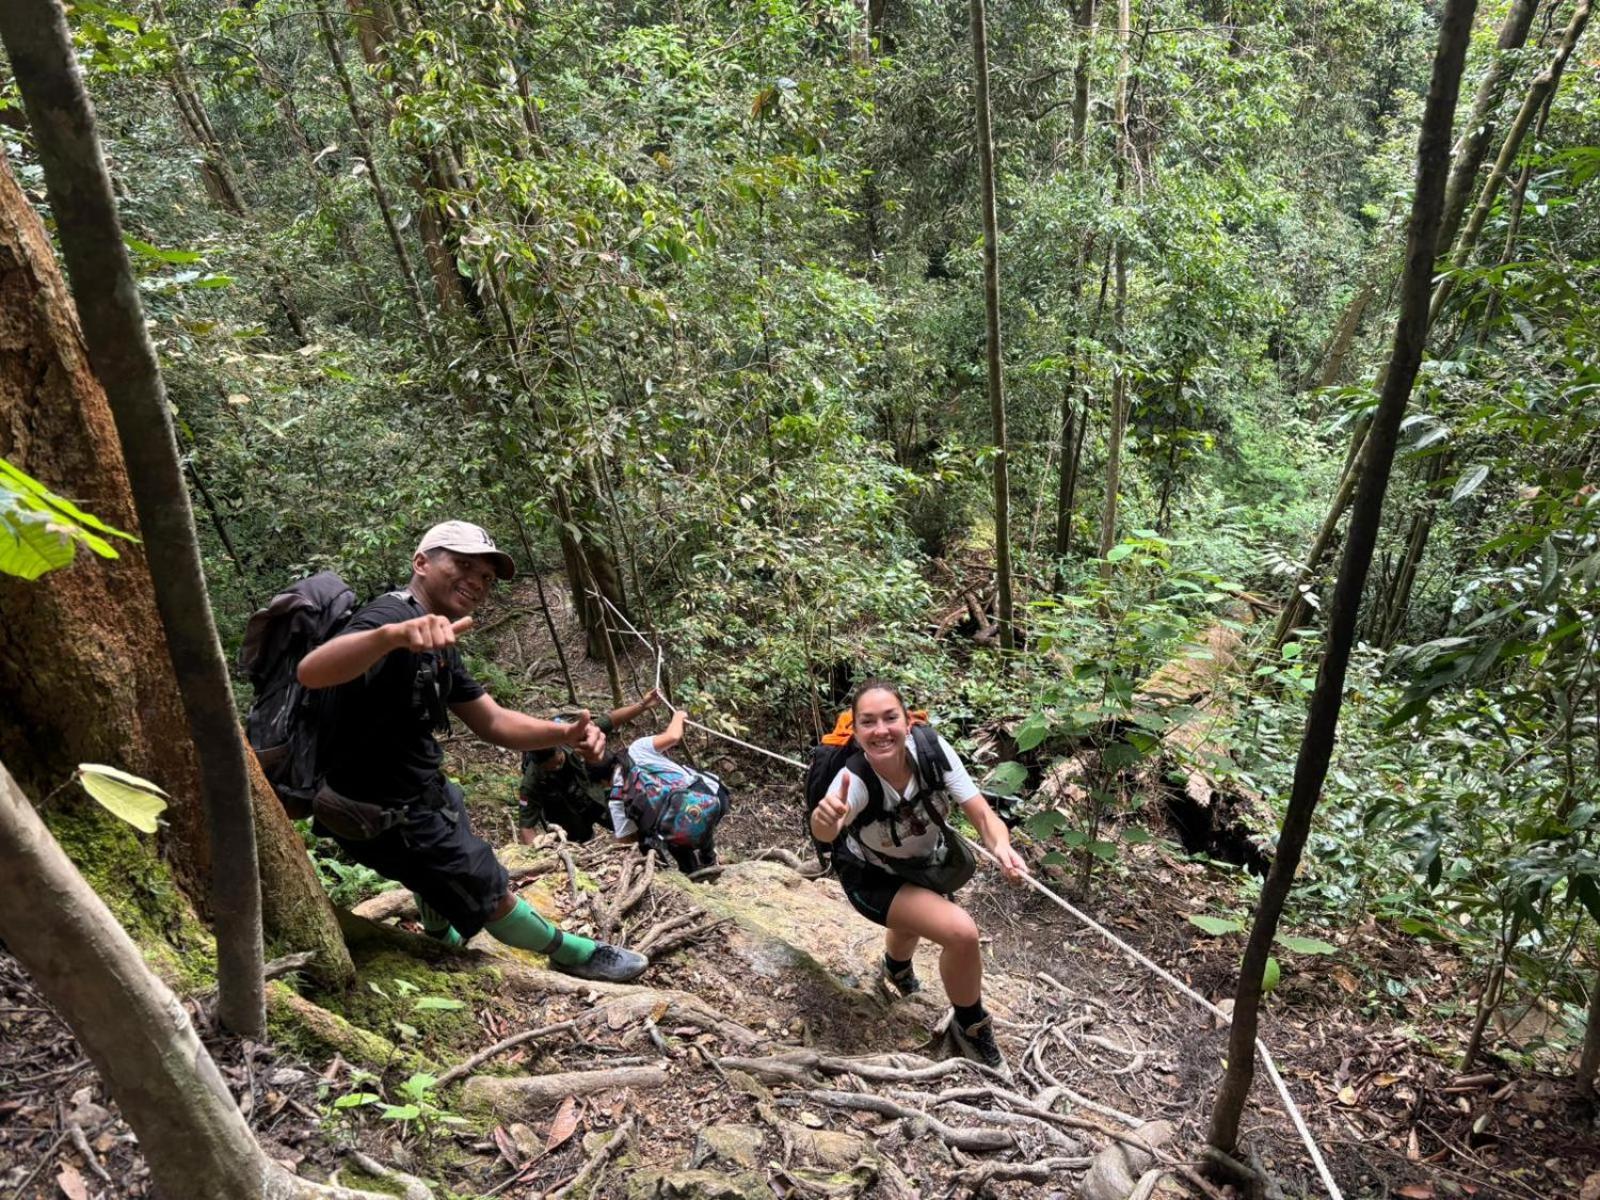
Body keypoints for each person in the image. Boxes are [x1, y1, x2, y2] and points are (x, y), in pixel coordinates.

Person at [296, 520, 648, 983]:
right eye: (463, 565)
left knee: (445, 854)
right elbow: (312, 671)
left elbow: (493, 721)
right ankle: (575, 953)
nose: (477, 582)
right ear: (421, 563)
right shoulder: (387, 619)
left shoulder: (441, 643)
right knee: (488, 886)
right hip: (380, 810)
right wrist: (390, 638)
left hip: (423, 792)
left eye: (485, 577)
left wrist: (562, 733)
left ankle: (440, 937)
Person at [810, 679, 1029, 1071]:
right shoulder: (854, 779)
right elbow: (827, 829)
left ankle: (895, 968)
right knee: (961, 932)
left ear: (907, 722)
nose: (881, 730)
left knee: (915, 919)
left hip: (919, 862)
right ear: (857, 733)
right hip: (870, 877)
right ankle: (971, 1027)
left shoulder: (932, 752)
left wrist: (1001, 845)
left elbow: (981, 813)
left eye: (890, 718)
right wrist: (825, 820)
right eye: (869, 722)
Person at [517, 688, 664, 845]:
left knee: (631, 826)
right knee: (581, 846)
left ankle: (652, 849)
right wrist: (533, 857)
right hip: (569, 820)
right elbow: (526, 827)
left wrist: (643, 704)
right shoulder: (532, 781)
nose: (556, 767)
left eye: (559, 762)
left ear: (560, 748)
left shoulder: (572, 737)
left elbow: (611, 720)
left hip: (596, 798)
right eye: (550, 768)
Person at [609, 707, 725, 874]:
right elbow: (673, 736)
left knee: (672, 832)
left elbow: (625, 839)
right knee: (696, 818)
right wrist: (679, 715)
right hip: (713, 796)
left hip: (678, 830)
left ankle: (693, 873)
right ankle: (709, 858)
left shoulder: (616, 796)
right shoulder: (636, 749)